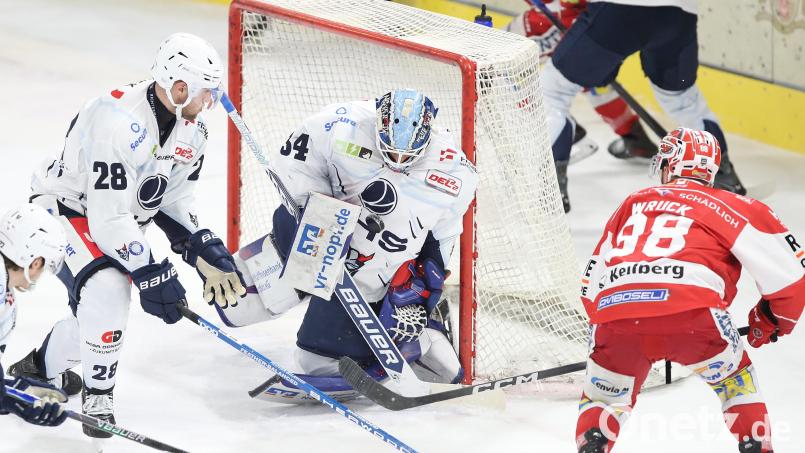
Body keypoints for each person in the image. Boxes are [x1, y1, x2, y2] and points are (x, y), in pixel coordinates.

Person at [9, 33, 245, 439]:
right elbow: (108, 220)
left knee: (99, 312)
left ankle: (38, 369)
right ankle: (99, 396)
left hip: (113, 216)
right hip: (64, 210)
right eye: (206, 91)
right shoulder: (116, 121)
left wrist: (202, 246)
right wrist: (151, 271)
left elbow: (173, 199)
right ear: (180, 88)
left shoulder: (193, 132)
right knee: (108, 289)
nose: (211, 101)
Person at [211, 89, 478, 399]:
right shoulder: (337, 124)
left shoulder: (456, 171)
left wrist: (425, 282)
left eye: (407, 156)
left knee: (318, 363)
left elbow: (443, 234)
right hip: (315, 237)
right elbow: (293, 166)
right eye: (390, 151)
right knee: (237, 307)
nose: (397, 161)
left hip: (369, 276)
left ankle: (424, 337)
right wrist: (319, 217)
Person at [576, 127, 805, 453]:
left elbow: (590, 285)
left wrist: (624, 331)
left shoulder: (633, 202)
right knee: (735, 383)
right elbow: (791, 278)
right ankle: (757, 446)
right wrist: (772, 319)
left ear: (669, 165)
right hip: (695, 314)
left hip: (616, 313)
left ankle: (593, 443)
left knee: (604, 399)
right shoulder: (734, 205)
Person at [539, 0, 746, 212]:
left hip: (620, 11)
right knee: (685, 102)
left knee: (553, 91)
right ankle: (724, 177)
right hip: (679, 16)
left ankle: (549, 192)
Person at [0, 204, 70, 429]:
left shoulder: (7, 300)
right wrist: (9, 398)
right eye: (44, 266)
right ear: (35, 261)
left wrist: (15, 389)